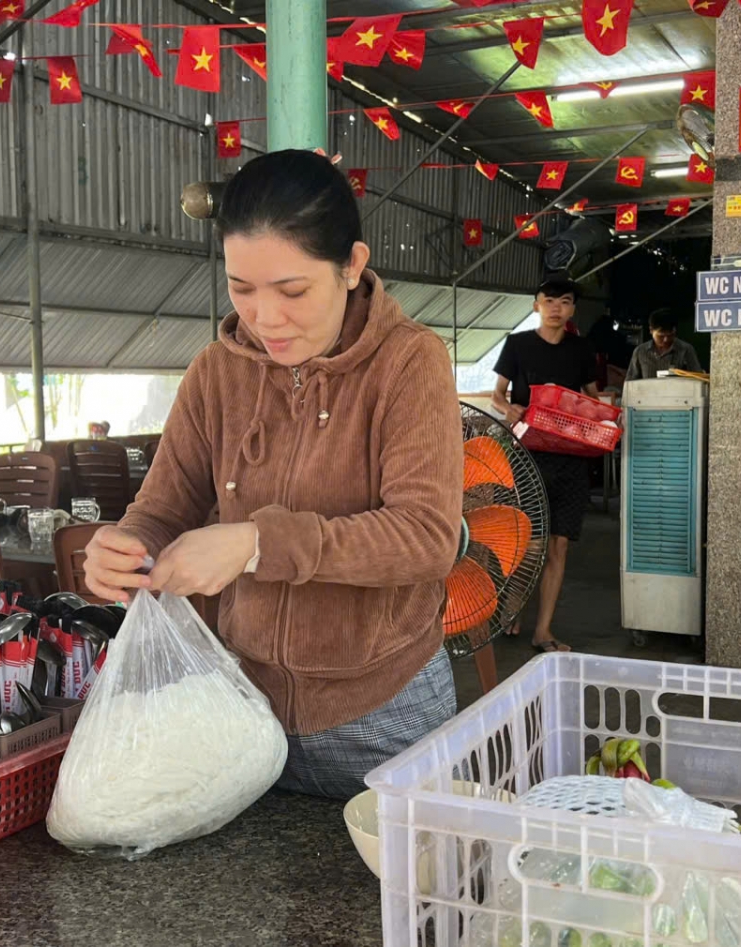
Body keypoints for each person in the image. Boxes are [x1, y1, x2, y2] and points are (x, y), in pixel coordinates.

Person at [81, 149, 464, 801]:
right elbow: (164, 506)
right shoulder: (216, 372)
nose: (265, 318)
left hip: (382, 710)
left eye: (292, 291)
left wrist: (256, 543)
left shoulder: (409, 364)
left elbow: (426, 537)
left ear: (352, 266)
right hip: (237, 704)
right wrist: (126, 545)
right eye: (242, 288)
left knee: (389, 867)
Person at [491, 278, 599, 654]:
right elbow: (497, 395)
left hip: (570, 459)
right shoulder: (517, 344)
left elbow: (592, 398)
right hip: (527, 456)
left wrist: (605, 415)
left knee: (559, 544)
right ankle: (514, 603)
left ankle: (543, 630)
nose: (556, 308)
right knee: (529, 541)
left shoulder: (582, 349)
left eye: (564, 301)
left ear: (572, 309)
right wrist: (509, 409)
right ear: (536, 305)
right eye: (549, 301)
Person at [625, 308, 703, 381]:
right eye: (661, 336)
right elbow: (630, 382)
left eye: (670, 335)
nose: (666, 340)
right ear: (651, 330)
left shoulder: (686, 350)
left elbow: (698, 379)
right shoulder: (640, 352)